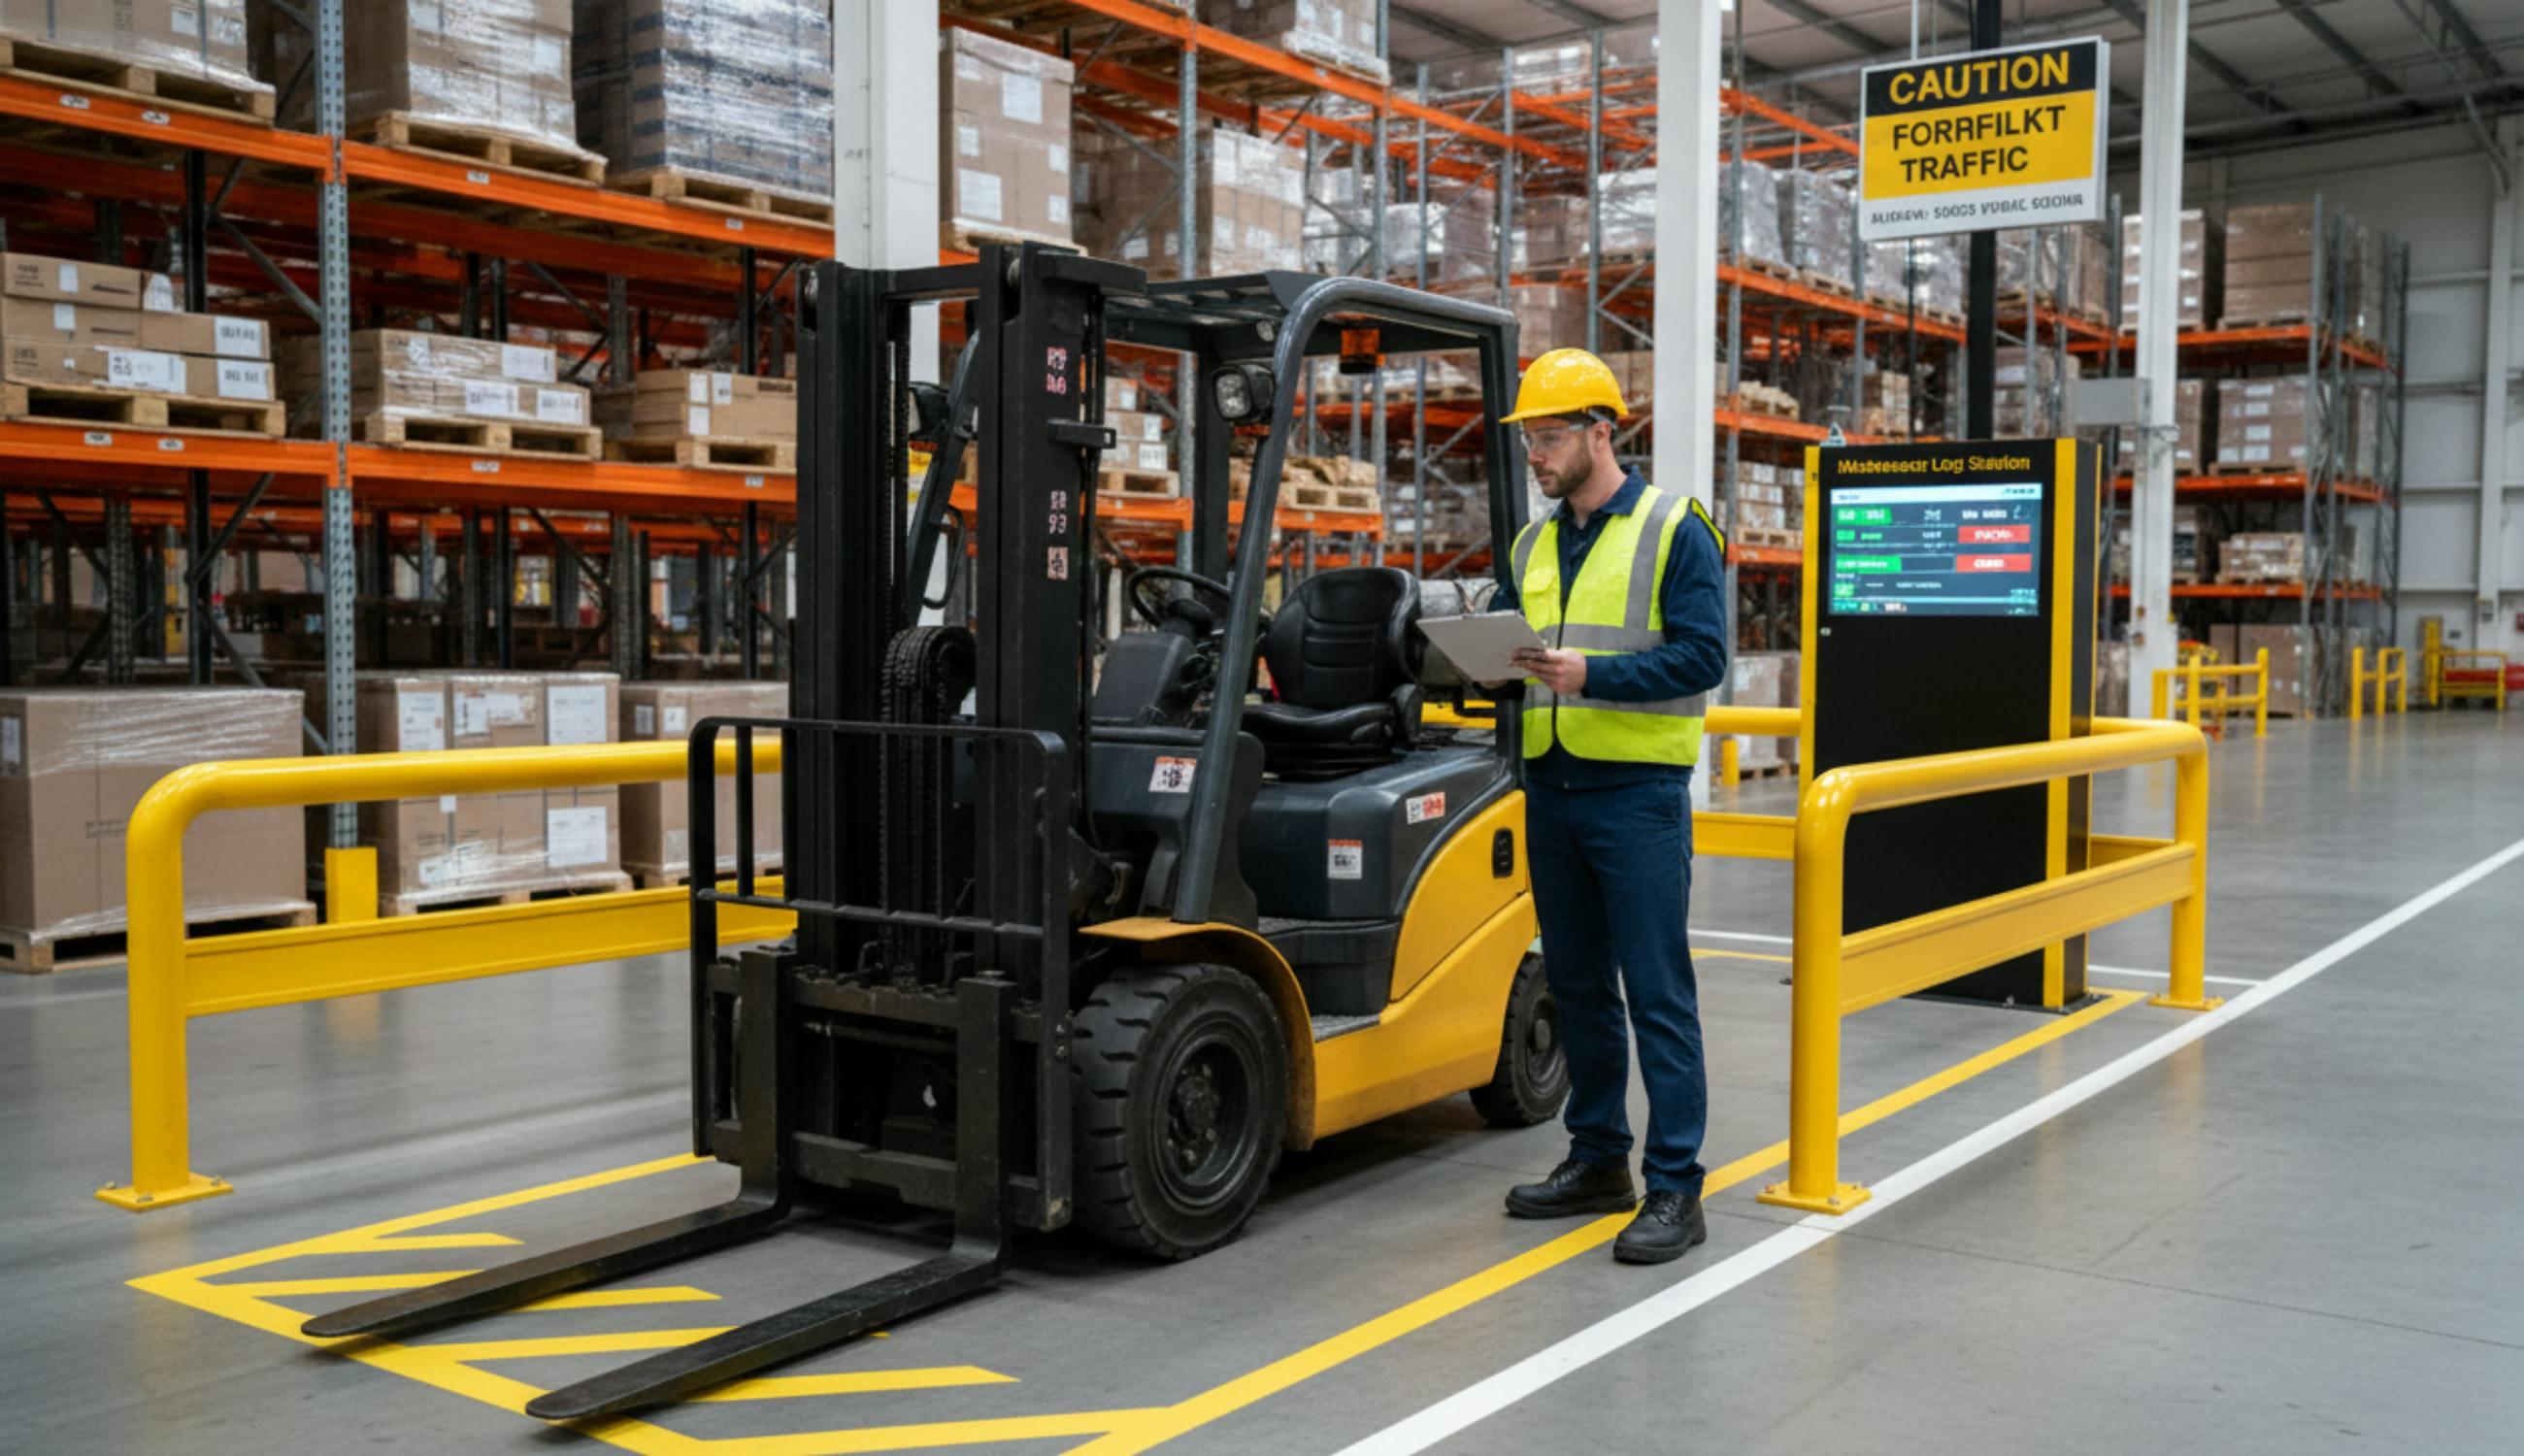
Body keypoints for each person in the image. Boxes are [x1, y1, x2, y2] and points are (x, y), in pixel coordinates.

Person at [1489, 347, 1730, 1265]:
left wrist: (1595, 676)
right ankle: (1599, 1160)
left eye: (1549, 439)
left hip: (1637, 795)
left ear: (1600, 433)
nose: (1536, 458)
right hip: (1552, 789)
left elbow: (1703, 658)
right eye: (1529, 443)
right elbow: (1522, 648)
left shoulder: (1675, 528)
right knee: (1579, 984)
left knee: (1658, 992)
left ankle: (1676, 1186)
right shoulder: (1531, 542)